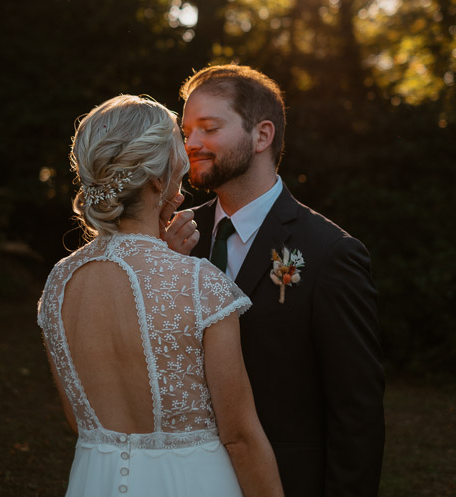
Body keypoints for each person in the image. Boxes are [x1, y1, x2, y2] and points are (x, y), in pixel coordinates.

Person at [38, 95, 283, 497]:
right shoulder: (199, 285)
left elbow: (79, 419)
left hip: (94, 480)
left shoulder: (59, 284)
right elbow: (239, 437)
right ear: (156, 180)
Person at [169, 65, 384, 496]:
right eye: (187, 130)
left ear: (262, 135)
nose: (191, 144)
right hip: (183, 476)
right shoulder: (177, 238)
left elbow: (356, 413)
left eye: (208, 128)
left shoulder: (329, 254)